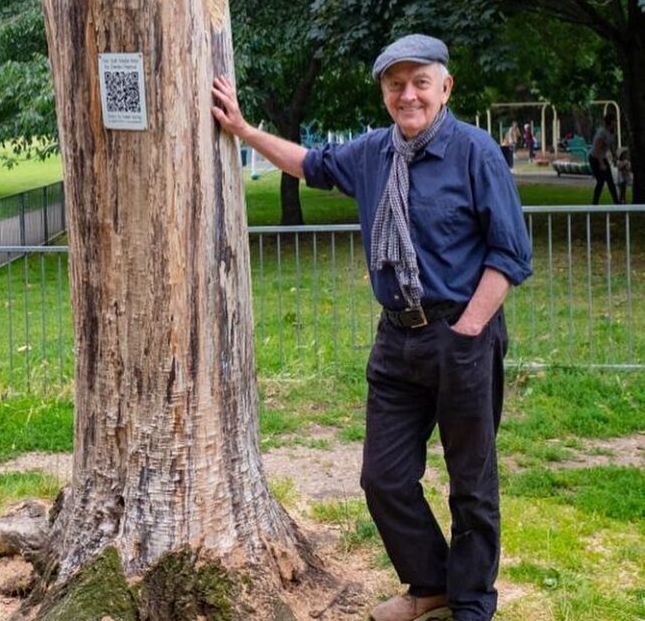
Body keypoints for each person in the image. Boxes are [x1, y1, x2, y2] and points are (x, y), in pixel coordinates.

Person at [212, 34, 532, 621]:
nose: (407, 95)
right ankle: (430, 583)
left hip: (462, 332)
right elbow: (308, 164)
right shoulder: (373, 154)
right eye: (395, 84)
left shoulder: (475, 153)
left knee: (472, 483)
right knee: (382, 478)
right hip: (397, 339)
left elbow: (509, 255)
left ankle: (470, 604)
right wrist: (244, 130)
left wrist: (466, 330)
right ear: (384, 91)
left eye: (420, 83)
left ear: (445, 88)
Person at [588, 112, 619, 205]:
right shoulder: (602, 132)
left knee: (610, 182)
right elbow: (597, 149)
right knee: (601, 181)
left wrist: (615, 156)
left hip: (602, 157)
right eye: (615, 121)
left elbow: (611, 145)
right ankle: (594, 204)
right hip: (595, 158)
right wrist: (601, 163)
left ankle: (616, 203)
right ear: (610, 121)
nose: (616, 122)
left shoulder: (611, 132)